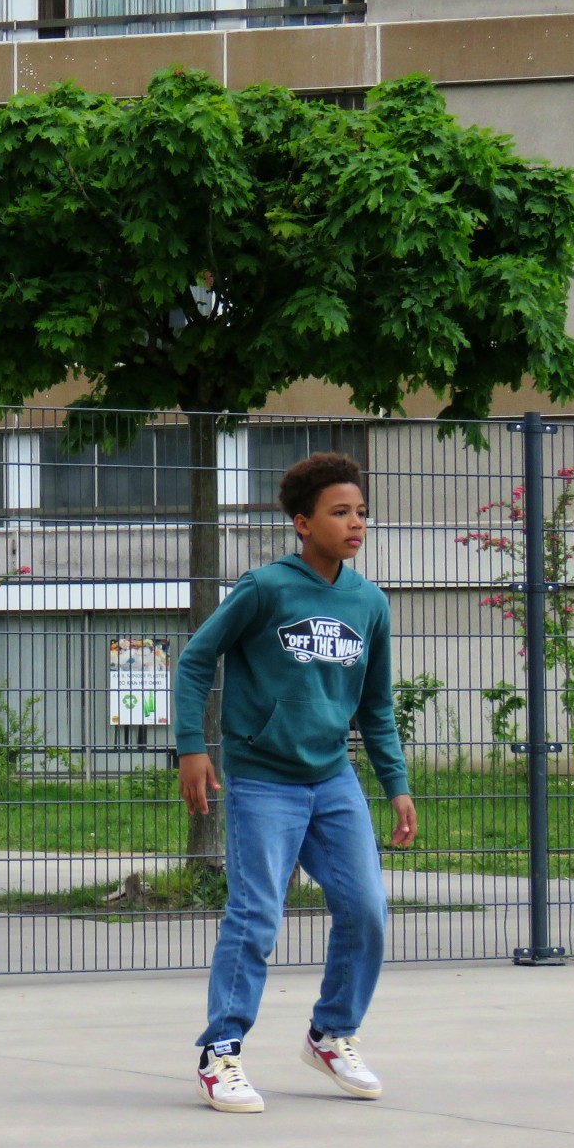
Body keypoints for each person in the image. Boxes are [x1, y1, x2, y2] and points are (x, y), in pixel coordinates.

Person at [176, 451, 418, 1114]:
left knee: (367, 908)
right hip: (262, 781)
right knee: (255, 916)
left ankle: (332, 1032)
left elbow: (376, 705)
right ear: (302, 522)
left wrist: (395, 783)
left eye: (362, 511)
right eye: (340, 511)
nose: (355, 522)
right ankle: (219, 1053)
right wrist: (191, 747)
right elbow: (197, 659)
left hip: (332, 778)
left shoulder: (369, 602)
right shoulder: (266, 589)